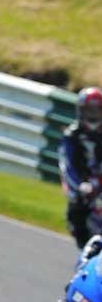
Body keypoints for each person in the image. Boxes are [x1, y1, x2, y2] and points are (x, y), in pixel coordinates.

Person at [59, 87, 102, 248]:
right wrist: (80, 186)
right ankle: (87, 254)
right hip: (84, 186)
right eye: (89, 111)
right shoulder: (72, 135)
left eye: (96, 111)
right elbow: (67, 164)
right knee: (76, 214)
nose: (92, 116)